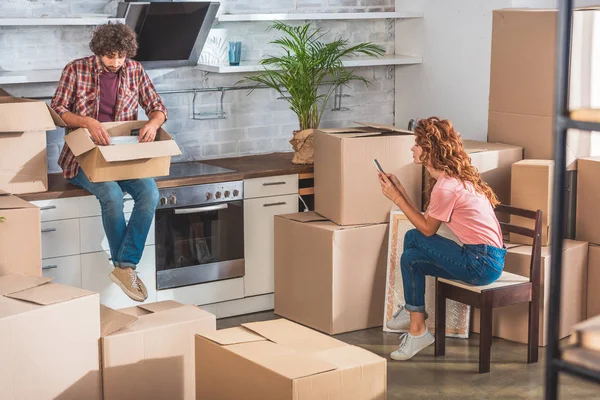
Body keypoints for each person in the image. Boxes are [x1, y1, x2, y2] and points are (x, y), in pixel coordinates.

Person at [51, 23, 167, 302]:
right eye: (110, 55)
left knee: (150, 193)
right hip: (82, 158)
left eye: (121, 56)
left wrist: (153, 123)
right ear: (99, 51)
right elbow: (58, 110)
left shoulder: (135, 71)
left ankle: (124, 266)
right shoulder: (75, 70)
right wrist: (88, 122)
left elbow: (158, 107)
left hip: (122, 158)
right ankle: (127, 268)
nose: (115, 62)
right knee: (112, 196)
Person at [378, 117, 506, 361]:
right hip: (485, 258)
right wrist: (400, 190)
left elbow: (427, 230)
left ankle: (416, 323)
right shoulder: (451, 180)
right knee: (412, 255)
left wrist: (396, 198)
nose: (412, 148)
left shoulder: (446, 187)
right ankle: (415, 321)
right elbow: (425, 222)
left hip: (480, 263)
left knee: (413, 245)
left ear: (430, 149)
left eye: (417, 143)